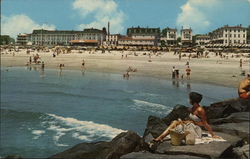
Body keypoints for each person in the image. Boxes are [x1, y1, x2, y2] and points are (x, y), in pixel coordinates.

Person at [153, 92, 220, 143]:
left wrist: (212, 135)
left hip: (195, 129)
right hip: (190, 126)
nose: (189, 100)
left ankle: (160, 137)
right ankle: (161, 137)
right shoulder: (193, 108)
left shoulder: (200, 110)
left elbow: (205, 123)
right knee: (174, 122)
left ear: (193, 100)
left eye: (190, 98)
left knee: (175, 123)